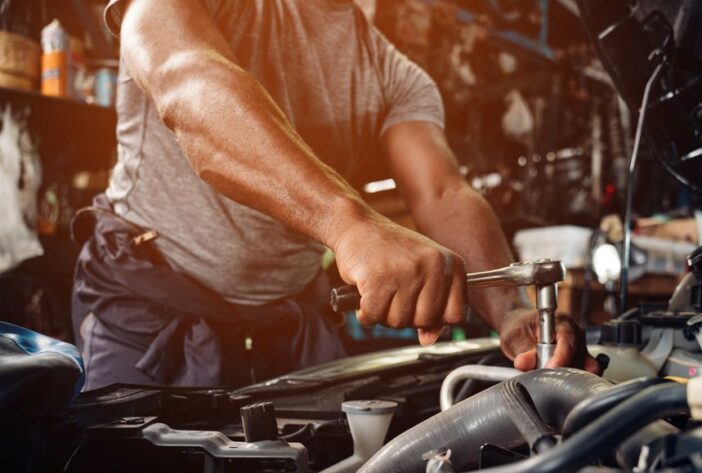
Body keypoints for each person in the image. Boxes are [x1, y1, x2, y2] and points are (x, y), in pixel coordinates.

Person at [72, 0, 597, 390]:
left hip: (289, 325)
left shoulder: (395, 76)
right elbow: (188, 85)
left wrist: (509, 309)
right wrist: (351, 226)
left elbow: (442, 193)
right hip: (148, 311)